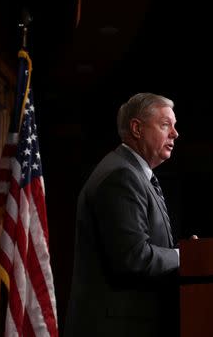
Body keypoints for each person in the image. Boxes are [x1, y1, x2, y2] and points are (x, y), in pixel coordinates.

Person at [65, 93, 193, 337]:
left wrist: (181, 253)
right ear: (137, 128)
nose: (175, 134)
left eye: (174, 126)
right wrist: (183, 256)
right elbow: (133, 257)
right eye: (165, 125)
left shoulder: (133, 173)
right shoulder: (120, 176)